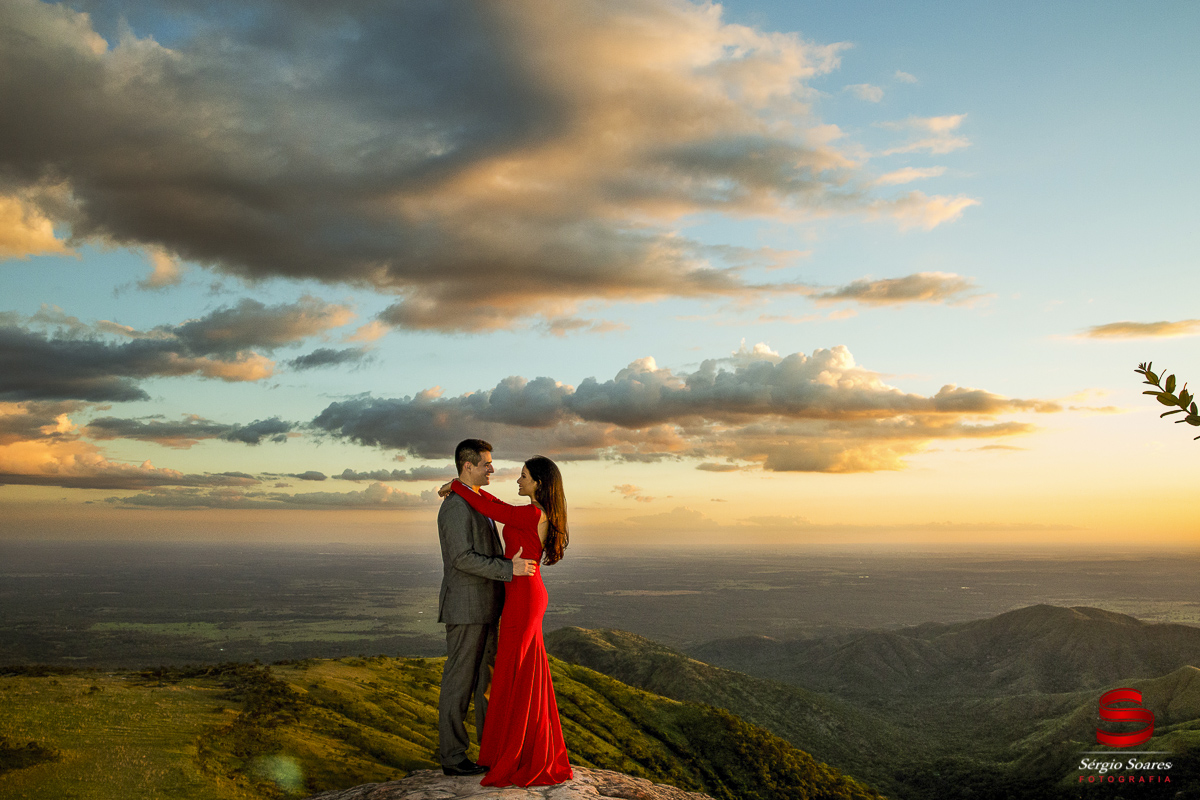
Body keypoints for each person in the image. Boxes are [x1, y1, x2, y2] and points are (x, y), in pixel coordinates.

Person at [437, 454, 573, 787]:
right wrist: (461, 487)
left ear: (538, 483)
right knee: (520, 674)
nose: (517, 480)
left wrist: (457, 485)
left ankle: (517, 754)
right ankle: (516, 749)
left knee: (516, 674)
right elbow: (496, 505)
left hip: (524, 597)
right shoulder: (534, 511)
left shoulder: (532, 514)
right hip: (522, 594)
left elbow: (494, 510)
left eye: (523, 476)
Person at [436, 439, 538, 777]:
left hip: (488, 607)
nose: (492, 468)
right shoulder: (455, 507)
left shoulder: (474, 499)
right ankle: (453, 758)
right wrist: (510, 569)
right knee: (460, 683)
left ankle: (490, 752)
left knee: (487, 685)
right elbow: (461, 558)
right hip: (466, 608)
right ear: (468, 466)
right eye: (486, 464)